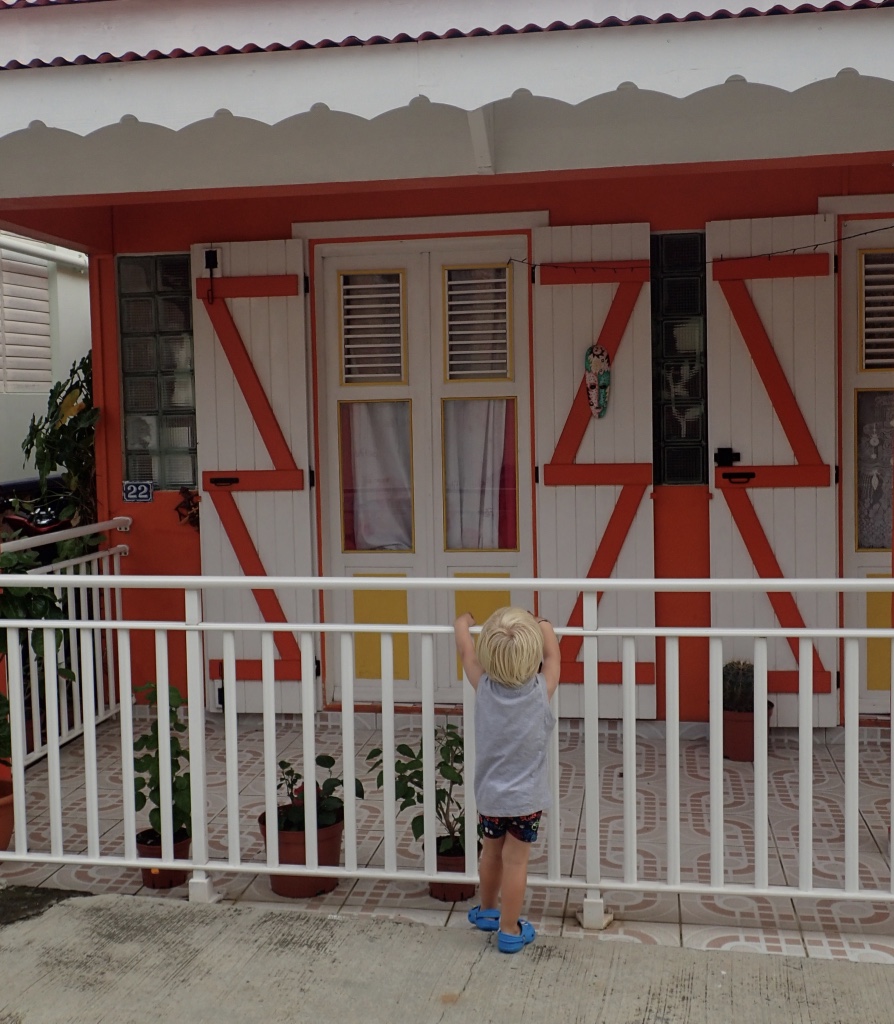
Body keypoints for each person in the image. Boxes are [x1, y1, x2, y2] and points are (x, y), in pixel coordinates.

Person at [453, 607, 560, 954]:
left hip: (490, 797)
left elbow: (466, 651)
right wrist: (543, 624)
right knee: (516, 861)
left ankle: (487, 910)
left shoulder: (483, 687)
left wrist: (463, 624)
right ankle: (510, 929)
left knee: (491, 852)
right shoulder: (540, 690)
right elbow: (553, 656)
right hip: (526, 800)